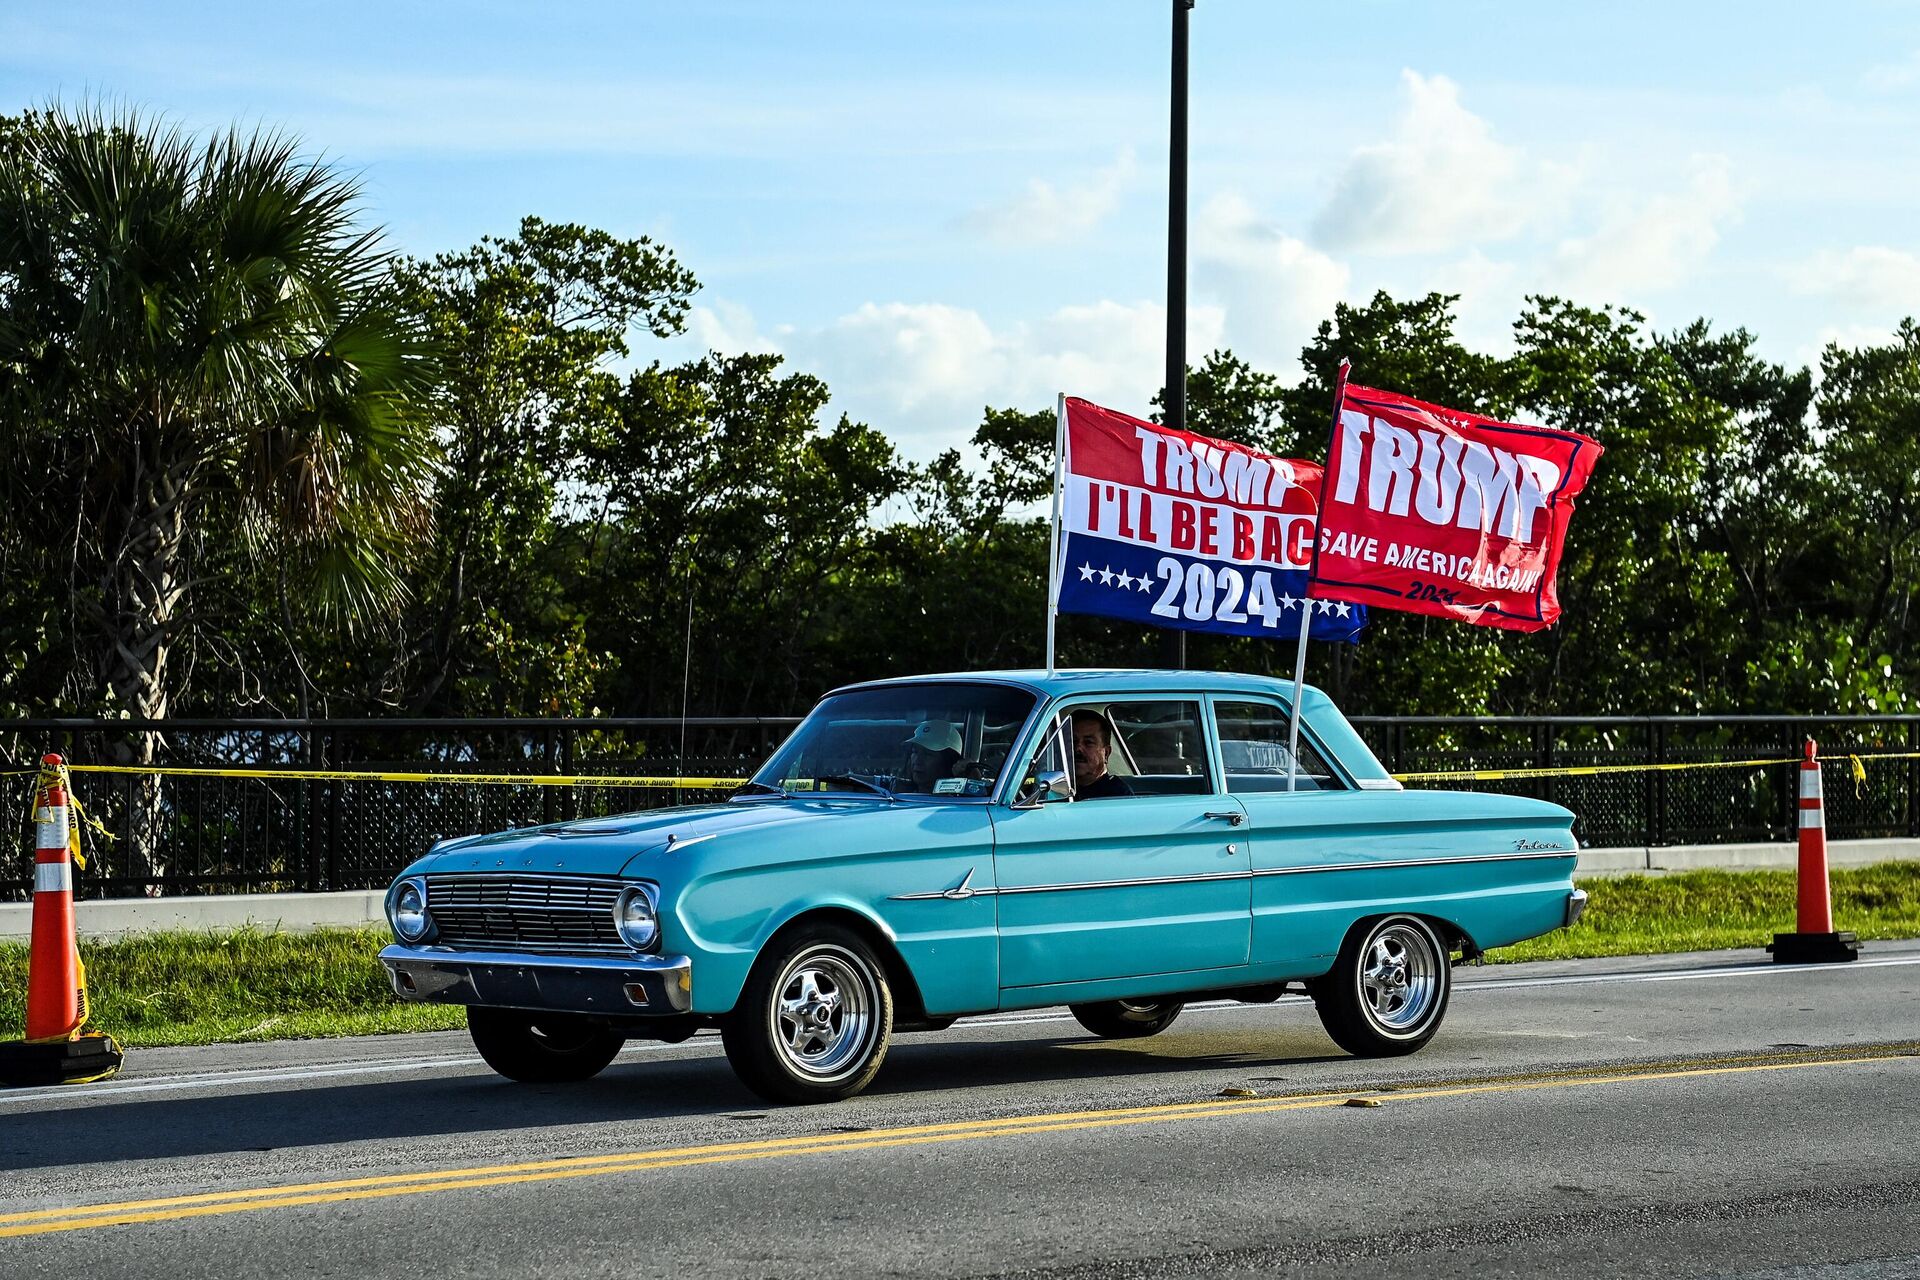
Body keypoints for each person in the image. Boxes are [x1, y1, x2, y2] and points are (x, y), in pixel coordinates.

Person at [1070, 710, 1133, 799]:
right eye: (1072, 741)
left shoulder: (1117, 795)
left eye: (1088, 742)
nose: (1077, 748)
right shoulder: (1053, 790)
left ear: (1106, 753)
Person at [902, 719, 963, 792]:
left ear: (950, 762)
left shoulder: (960, 801)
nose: (918, 760)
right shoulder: (896, 796)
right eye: (915, 751)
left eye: (928, 754)